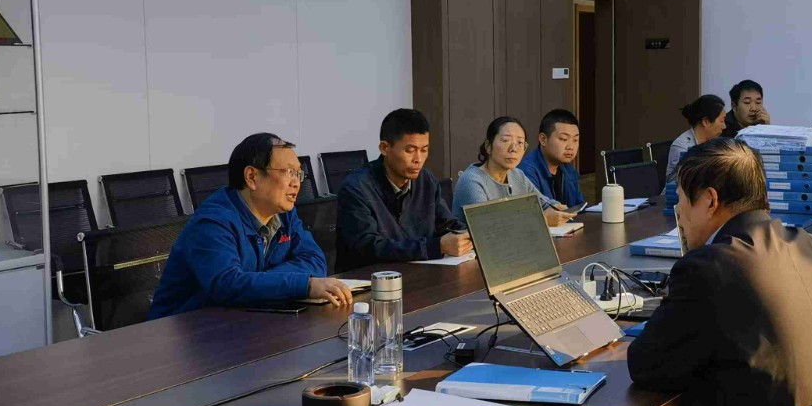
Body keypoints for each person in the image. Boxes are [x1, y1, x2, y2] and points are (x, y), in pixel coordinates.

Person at [627, 138, 812, 406]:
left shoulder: (711, 268)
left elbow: (646, 366)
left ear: (710, 201)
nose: (678, 213)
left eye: (680, 200)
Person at [148, 133, 352, 319]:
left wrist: (259, 282)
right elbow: (227, 285)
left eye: (298, 173)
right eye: (288, 172)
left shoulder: (285, 213)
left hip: (245, 318)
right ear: (252, 177)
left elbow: (315, 260)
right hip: (180, 331)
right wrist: (303, 285)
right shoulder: (212, 222)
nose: (296, 183)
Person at [335, 108, 471, 271]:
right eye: (410, 150)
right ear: (385, 148)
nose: (418, 159)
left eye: (424, 150)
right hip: (368, 279)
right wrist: (435, 246)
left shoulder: (426, 180)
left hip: (420, 275)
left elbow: (446, 224)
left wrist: (469, 234)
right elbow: (368, 247)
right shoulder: (356, 188)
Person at [453, 116, 574, 224]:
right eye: (506, 141)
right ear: (488, 146)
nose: (513, 149)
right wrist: (541, 218)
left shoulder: (517, 175)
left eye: (520, 142)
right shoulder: (471, 181)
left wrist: (557, 207)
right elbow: (489, 226)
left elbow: (543, 203)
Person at [517, 108, 584, 207]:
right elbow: (534, 211)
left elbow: (579, 207)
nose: (571, 147)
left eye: (575, 140)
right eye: (563, 139)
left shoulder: (568, 169)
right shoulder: (526, 171)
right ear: (543, 139)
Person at [664, 94, 727, 184]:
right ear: (706, 122)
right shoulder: (682, 147)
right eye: (721, 121)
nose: (724, 126)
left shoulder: (715, 143)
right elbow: (684, 182)